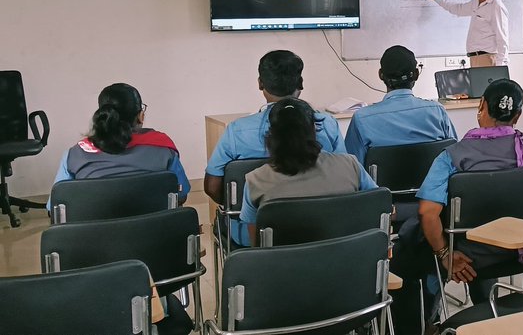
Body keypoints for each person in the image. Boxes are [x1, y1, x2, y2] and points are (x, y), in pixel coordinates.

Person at [416, 79, 523, 305]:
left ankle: (431, 320)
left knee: (418, 245)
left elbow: (428, 213)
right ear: (517, 116)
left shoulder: (452, 156)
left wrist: (445, 255)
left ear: (481, 106)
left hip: (471, 257)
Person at [204, 50, 345, 246]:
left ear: (260, 83)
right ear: (301, 83)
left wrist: (240, 208)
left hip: (257, 235)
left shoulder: (237, 131)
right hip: (321, 230)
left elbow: (212, 187)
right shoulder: (327, 124)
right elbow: (342, 175)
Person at [238, 98, 378, 246]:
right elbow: (378, 206)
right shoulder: (350, 165)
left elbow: (257, 245)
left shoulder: (255, 181)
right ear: (313, 129)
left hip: (284, 266)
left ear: (272, 135)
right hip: (346, 263)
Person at [49, 83, 189, 209]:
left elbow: (55, 207)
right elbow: (180, 196)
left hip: (94, 236)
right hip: (156, 235)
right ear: (141, 116)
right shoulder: (164, 148)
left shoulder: (73, 155)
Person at [345, 45, 457, 165]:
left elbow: (351, 168)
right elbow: (455, 156)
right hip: (434, 183)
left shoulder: (362, 118)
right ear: (416, 74)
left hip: (380, 184)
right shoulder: (437, 112)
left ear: (381, 75)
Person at [417, 0, 509, 66]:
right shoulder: (476, 2)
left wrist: (500, 67)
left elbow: (502, 40)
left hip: (488, 60)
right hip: (476, 59)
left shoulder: (496, 6)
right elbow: (457, 9)